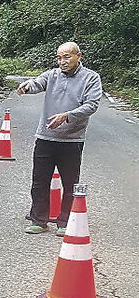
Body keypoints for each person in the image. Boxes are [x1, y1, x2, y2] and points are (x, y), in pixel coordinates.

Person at [16, 41, 102, 236]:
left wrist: (66, 115)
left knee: (70, 183)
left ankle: (65, 222)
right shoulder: (52, 75)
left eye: (66, 57)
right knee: (39, 182)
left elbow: (92, 105)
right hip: (45, 137)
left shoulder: (91, 78)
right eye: (59, 57)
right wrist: (26, 86)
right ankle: (39, 220)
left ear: (78, 56)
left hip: (72, 140)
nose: (62, 61)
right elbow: (37, 83)